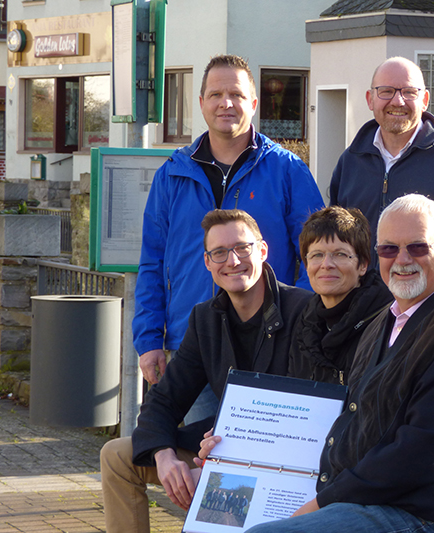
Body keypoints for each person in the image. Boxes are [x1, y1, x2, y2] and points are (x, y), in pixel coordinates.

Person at [200, 194, 434, 533]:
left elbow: (418, 458)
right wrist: (241, 444)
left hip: (416, 515)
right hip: (360, 497)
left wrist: (322, 501)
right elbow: (349, 417)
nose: (401, 260)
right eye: (389, 249)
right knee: (218, 523)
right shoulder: (389, 319)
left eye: (417, 247)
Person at [133, 54, 324, 424]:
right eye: (216, 94)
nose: (226, 103)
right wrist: (148, 340)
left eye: (236, 94)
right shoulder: (172, 175)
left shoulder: (287, 171)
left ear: (253, 103)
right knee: (194, 461)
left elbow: (316, 253)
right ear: (201, 103)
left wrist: (301, 319)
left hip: (270, 345)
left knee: (262, 457)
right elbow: (152, 263)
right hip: (193, 348)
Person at [100, 209, 312, 533]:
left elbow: (307, 417)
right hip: (221, 454)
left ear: (263, 250)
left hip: (288, 464)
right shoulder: (205, 319)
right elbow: (165, 400)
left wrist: (221, 469)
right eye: (219, 253)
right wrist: (164, 456)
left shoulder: (304, 311)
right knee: (117, 455)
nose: (233, 260)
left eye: (242, 247)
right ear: (207, 262)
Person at [329, 56, 434, 284]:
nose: (398, 101)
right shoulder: (351, 161)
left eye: (409, 92)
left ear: (425, 100)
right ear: (370, 99)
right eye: (386, 91)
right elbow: (337, 243)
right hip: (364, 313)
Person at [288, 205, 393, 384]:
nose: (326, 264)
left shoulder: (386, 321)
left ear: (363, 265)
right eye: (317, 255)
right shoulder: (304, 322)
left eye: (340, 254)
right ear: (306, 265)